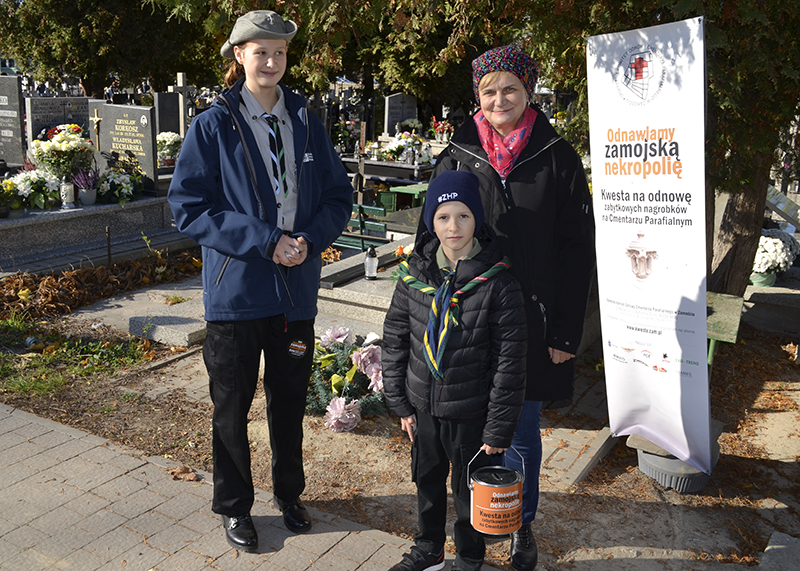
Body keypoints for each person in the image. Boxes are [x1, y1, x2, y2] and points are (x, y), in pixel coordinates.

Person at [168, 10, 353, 553]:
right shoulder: (212, 125)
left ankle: (290, 495)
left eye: (279, 52)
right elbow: (188, 208)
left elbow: (337, 196)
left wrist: (308, 240)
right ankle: (234, 506)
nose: (271, 62)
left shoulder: (304, 117)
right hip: (236, 293)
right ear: (239, 57)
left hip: (296, 292)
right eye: (260, 52)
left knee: (290, 400)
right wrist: (264, 239)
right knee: (231, 406)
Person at [429, 45, 596, 570]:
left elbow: (576, 251)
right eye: (488, 90)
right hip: (468, 320)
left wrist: (566, 332)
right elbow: (426, 241)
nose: (499, 99)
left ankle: (522, 526)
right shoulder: (458, 155)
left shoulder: (557, 158)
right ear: (477, 97)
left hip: (531, 322)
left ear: (528, 92)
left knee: (519, 429)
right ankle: (472, 532)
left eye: (510, 89)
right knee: (466, 432)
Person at [383, 170, 528, 571]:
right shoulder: (414, 276)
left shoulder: (498, 284)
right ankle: (428, 548)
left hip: (471, 414)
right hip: (423, 410)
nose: (453, 227)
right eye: (443, 216)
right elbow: (395, 338)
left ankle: (469, 558)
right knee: (427, 483)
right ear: (431, 220)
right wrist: (400, 403)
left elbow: (509, 364)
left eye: (463, 216)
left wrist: (498, 428)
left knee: (468, 496)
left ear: (477, 220)